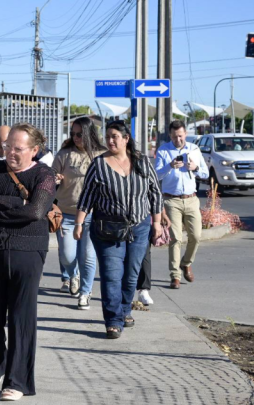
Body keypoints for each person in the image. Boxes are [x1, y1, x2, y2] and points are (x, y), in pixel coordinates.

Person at [0, 123, 56, 401]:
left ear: (34, 150)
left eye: (17, 148)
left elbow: (36, 211)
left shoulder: (44, 174)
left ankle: (16, 381)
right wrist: (15, 203)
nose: (10, 152)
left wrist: (0, 203)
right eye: (7, 146)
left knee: (21, 317)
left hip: (28, 251)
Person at [75, 121, 163, 339]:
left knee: (131, 276)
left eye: (115, 136)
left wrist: (157, 223)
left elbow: (155, 193)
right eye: (108, 136)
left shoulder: (142, 161)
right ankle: (113, 320)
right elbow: (87, 196)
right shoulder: (99, 164)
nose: (111, 140)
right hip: (108, 229)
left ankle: (125, 310)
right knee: (112, 275)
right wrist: (79, 223)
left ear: (126, 138)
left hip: (139, 228)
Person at [52, 117, 106, 309]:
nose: (75, 137)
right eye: (73, 134)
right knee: (67, 256)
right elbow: (51, 176)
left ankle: (85, 292)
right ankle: (72, 275)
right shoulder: (65, 154)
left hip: (92, 215)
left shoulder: (102, 155)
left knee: (88, 256)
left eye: (79, 134)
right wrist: (56, 178)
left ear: (89, 134)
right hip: (67, 214)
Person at [154, 119, 209, 289]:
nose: (178, 139)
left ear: (185, 134)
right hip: (172, 200)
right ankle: (175, 275)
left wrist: (195, 167)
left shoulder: (194, 149)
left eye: (180, 136)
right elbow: (156, 176)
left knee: (196, 236)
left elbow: (206, 174)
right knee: (176, 238)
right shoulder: (163, 151)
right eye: (174, 136)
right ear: (170, 135)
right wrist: (169, 166)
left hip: (191, 199)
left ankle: (186, 263)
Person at [136, 209, 171, 306]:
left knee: (144, 255)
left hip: (143, 219)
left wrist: (161, 217)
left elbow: (156, 195)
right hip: (118, 220)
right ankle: (120, 291)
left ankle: (144, 290)